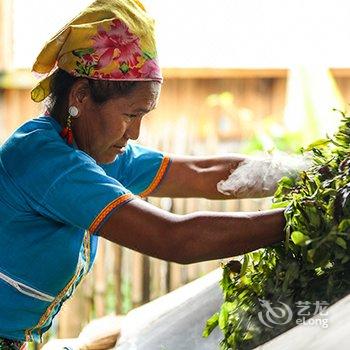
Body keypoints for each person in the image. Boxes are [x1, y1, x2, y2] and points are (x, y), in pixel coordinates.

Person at [0, 0, 286, 348]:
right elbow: (175, 239)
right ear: (80, 96)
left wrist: (304, 172)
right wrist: (301, 218)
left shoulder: (91, 150)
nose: (134, 133)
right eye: (131, 115)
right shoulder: (45, 160)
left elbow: (201, 172)